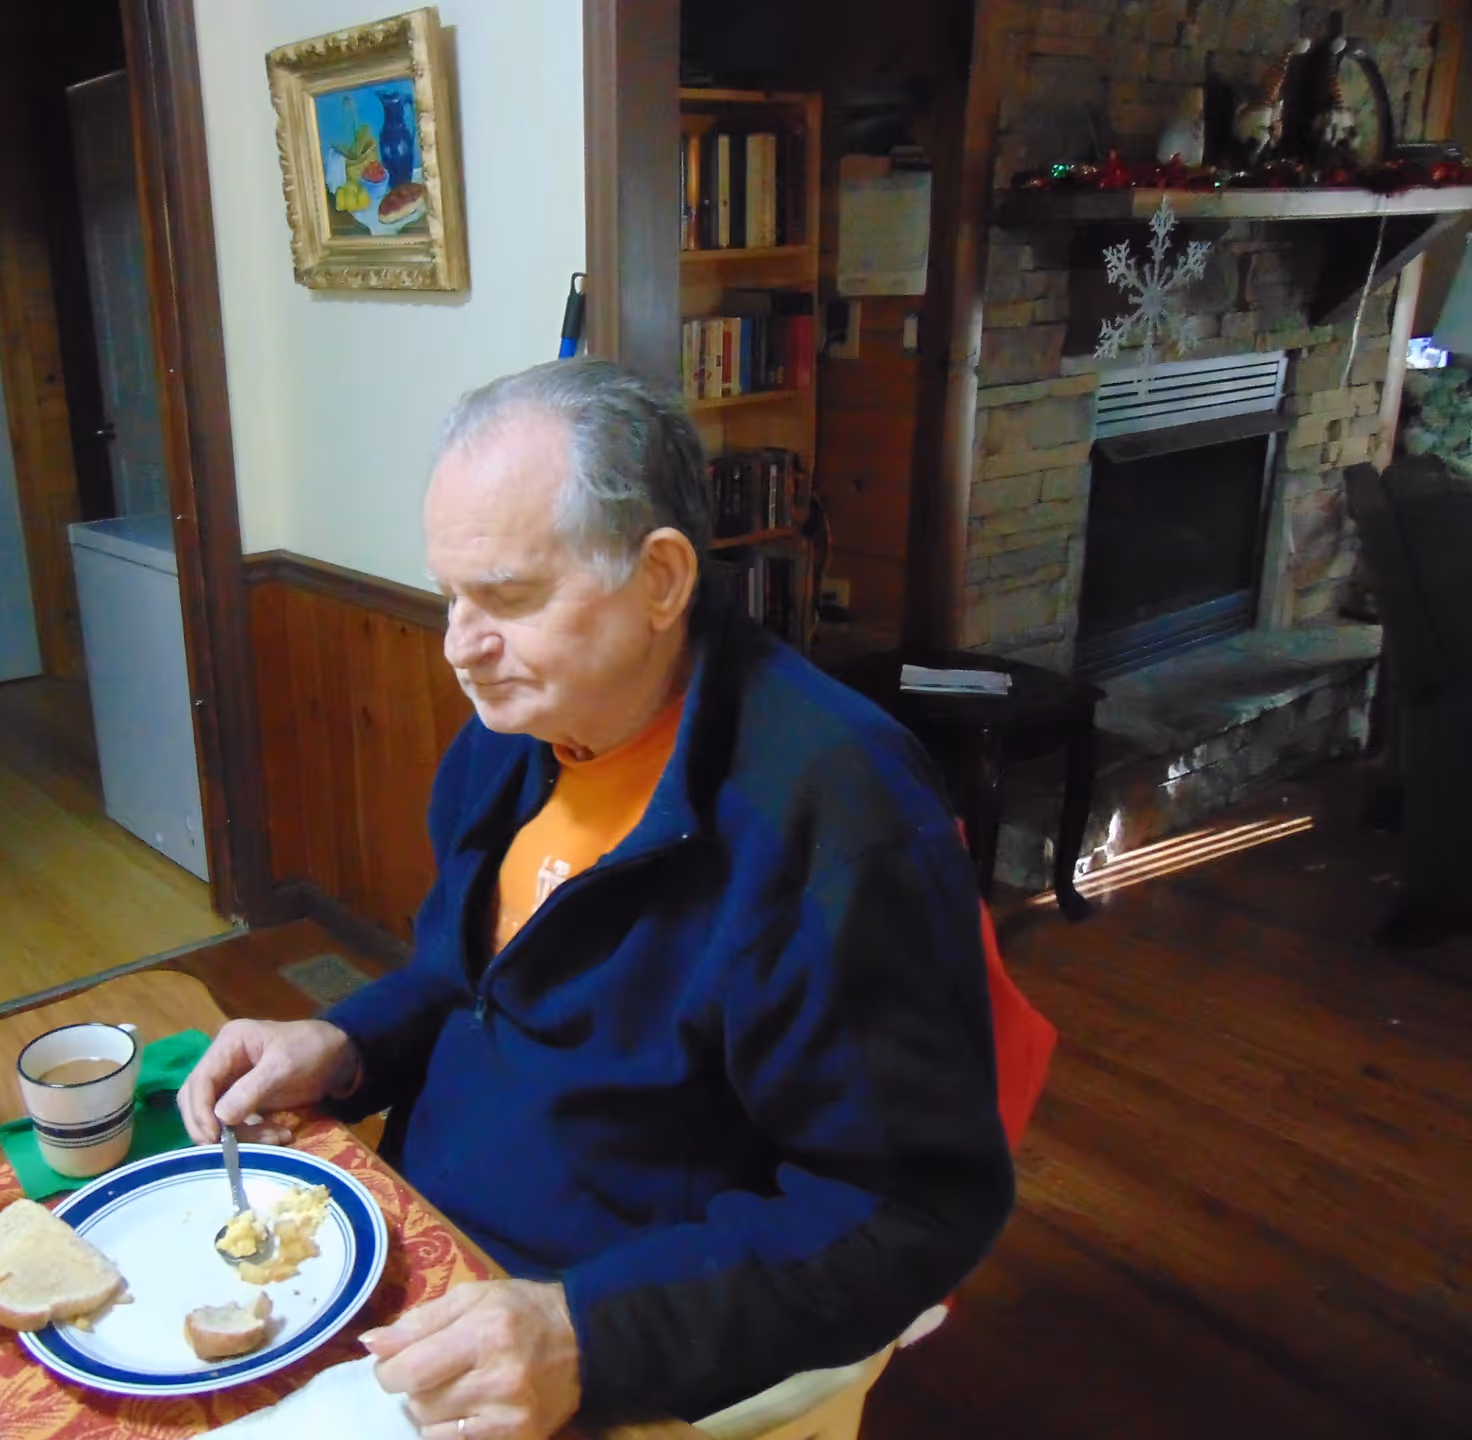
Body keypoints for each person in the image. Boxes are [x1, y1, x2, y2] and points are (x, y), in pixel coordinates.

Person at [180, 360, 1015, 1438]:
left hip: (602, 1335)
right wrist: (342, 1046)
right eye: (449, 596)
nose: (459, 649)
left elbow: (915, 1206)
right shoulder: (515, 737)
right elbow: (461, 979)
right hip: (424, 1246)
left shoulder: (834, 811)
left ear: (662, 579)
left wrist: (589, 1335)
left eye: (510, 598)